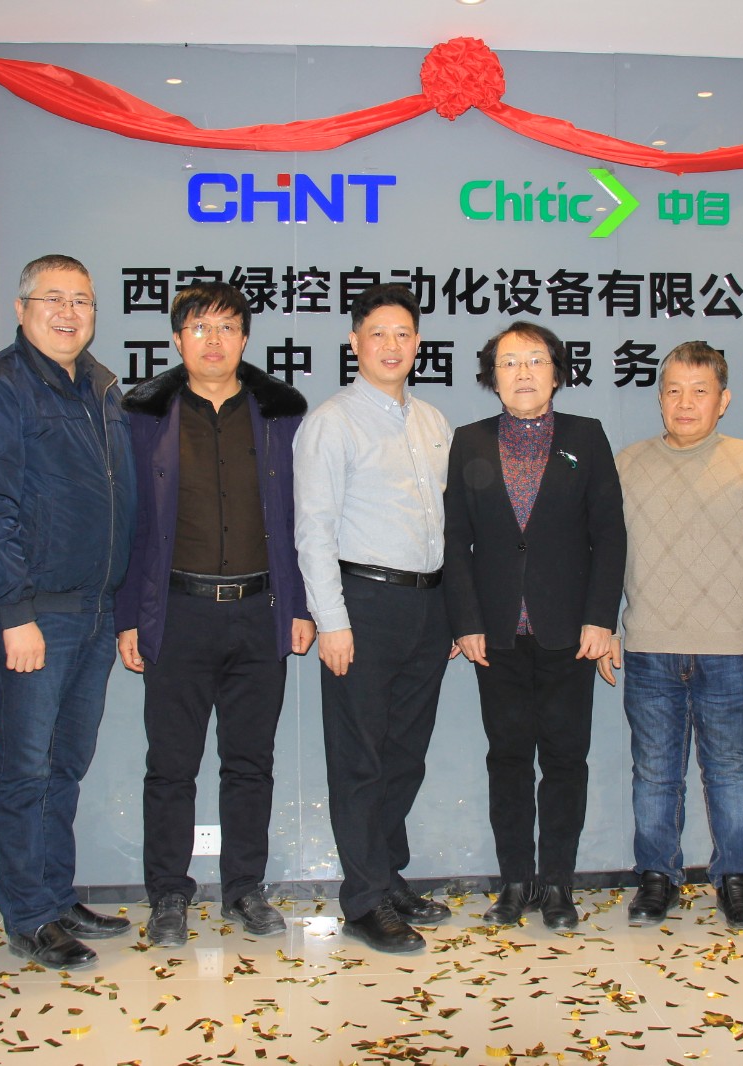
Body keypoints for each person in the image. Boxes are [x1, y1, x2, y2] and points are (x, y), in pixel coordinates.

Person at [0, 254, 136, 970]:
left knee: (65, 763)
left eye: (81, 300)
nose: (68, 312)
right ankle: (27, 915)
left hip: (94, 608)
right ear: (21, 309)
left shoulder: (101, 388)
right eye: (52, 298)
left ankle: (56, 896)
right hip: (33, 612)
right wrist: (13, 610)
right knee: (24, 767)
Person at [115, 282, 314, 947]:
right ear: (178, 339)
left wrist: (300, 605)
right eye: (199, 327)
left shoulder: (278, 415)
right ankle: (169, 895)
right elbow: (131, 524)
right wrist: (127, 616)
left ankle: (244, 889)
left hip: (260, 611)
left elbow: (300, 519)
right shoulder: (146, 416)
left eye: (227, 327)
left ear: (245, 339)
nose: (213, 340)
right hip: (177, 612)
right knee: (171, 765)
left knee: (250, 762)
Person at [603, 342, 743, 931]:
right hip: (649, 648)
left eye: (700, 391)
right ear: (660, 398)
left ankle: (736, 878)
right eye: (674, 391)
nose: (685, 403)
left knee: (731, 769)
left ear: (723, 399)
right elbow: (603, 554)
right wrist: (605, 626)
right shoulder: (628, 465)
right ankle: (656, 877)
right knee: (654, 772)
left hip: (731, 650)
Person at [443, 322, 625, 930]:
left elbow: (609, 535)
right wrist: (466, 620)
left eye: (535, 360)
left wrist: (601, 618)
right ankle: (515, 881)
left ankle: (559, 884)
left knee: (567, 760)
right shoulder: (469, 441)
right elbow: (455, 539)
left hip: (570, 633)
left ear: (556, 372)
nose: (523, 372)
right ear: (491, 377)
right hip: (495, 635)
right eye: (509, 362)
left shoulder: (585, 437)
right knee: (509, 758)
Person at [294, 283, 454, 953]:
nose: (391, 345)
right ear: (355, 342)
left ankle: (387, 876)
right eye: (378, 333)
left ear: (418, 344)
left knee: (405, 755)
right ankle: (363, 900)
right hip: (362, 603)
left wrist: (451, 612)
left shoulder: (433, 421)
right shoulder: (333, 421)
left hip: (428, 604)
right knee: (359, 757)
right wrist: (332, 620)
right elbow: (313, 529)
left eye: (403, 334)